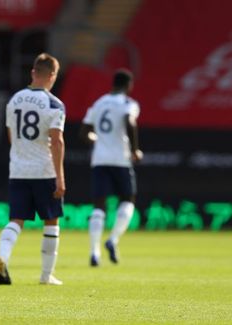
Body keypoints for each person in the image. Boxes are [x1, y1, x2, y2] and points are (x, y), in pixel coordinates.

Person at [0, 53, 66, 286]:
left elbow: (10, 135)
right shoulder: (54, 104)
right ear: (52, 75)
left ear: (33, 72)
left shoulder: (14, 100)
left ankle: (3, 257)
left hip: (18, 169)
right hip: (44, 170)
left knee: (16, 220)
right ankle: (46, 276)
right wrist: (60, 178)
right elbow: (56, 142)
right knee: (51, 221)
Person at [79, 68, 143, 267]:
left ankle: (94, 252)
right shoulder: (128, 104)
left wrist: (97, 140)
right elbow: (129, 121)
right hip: (121, 159)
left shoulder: (99, 103)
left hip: (100, 159)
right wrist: (135, 150)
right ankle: (113, 239)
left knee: (99, 206)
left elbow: (84, 132)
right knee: (128, 199)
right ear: (129, 85)